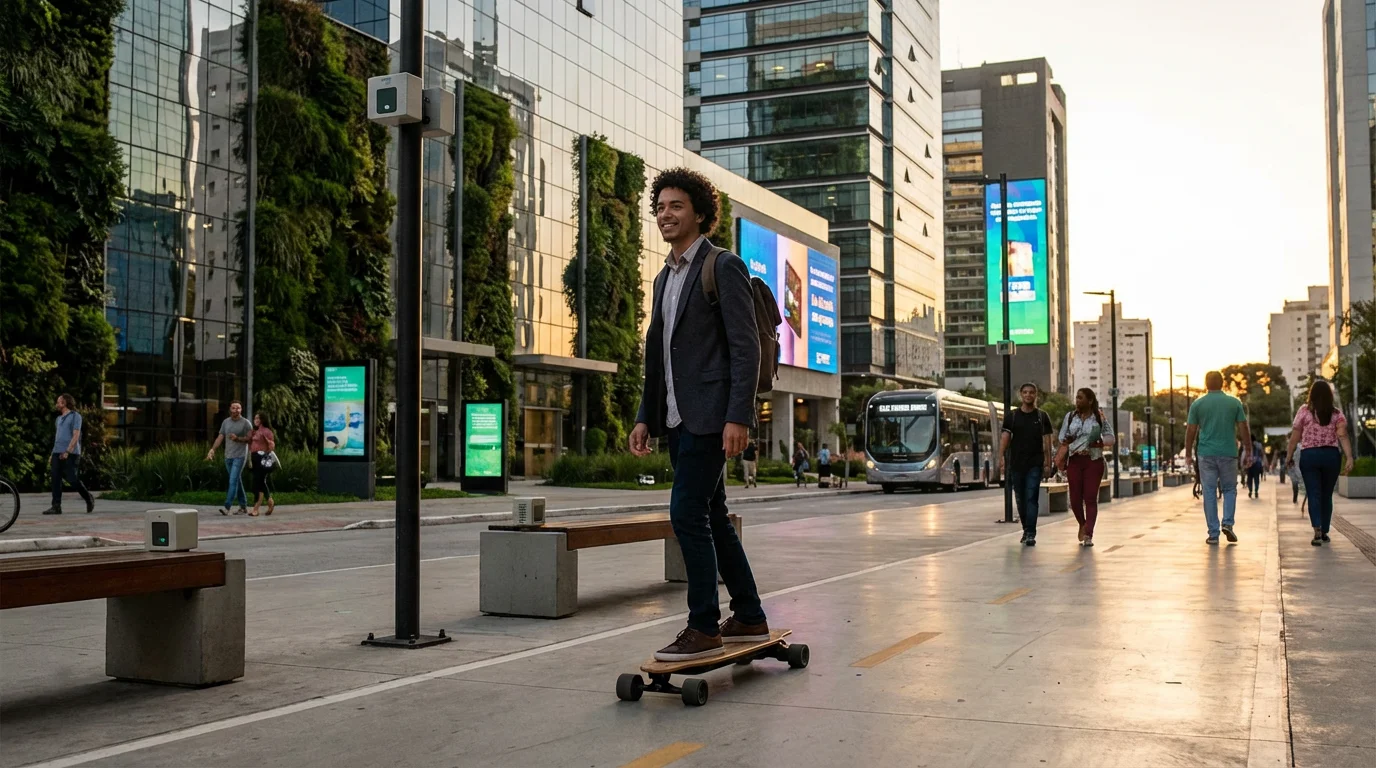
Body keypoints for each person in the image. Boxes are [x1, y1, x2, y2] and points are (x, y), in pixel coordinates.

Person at [629, 166, 767, 662]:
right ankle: (749, 614)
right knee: (711, 514)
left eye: (676, 206)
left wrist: (739, 416)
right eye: (660, 207)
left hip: (712, 416)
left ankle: (704, 625)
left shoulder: (722, 266)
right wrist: (645, 415)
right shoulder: (663, 277)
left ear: (700, 213)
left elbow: (746, 348)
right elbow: (658, 354)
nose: (665, 214)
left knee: (686, 512)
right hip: (676, 417)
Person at [1185, 371, 1251, 545]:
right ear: (1222, 384)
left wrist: (1188, 453)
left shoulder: (1198, 404)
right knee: (1229, 489)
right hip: (1229, 452)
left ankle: (1213, 534)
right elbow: (1243, 427)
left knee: (1209, 491)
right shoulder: (1234, 403)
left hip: (1206, 453)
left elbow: (1191, 430)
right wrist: (1248, 449)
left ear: (1206, 384)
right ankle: (1227, 523)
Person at [1285, 380, 1354, 546]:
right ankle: (1324, 531)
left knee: (1313, 493)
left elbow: (1295, 436)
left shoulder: (1304, 411)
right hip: (1331, 456)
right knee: (1326, 495)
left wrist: (1289, 456)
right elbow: (1343, 435)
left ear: (1312, 395)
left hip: (1310, 456)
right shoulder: (1337, 414)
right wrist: (1349, 457)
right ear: (1330, 396)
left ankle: (1316, 531)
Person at [1055, 388, 1114, 547]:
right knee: (1074, 500)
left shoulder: (1099, 417)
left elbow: (1111, 438)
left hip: (1093, 461)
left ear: (1090, 400)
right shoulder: (1070, 417)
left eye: (1081, 398)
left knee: (1090, 498)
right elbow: (1061, 437)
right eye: (1076, 397)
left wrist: (1100, 441)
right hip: (1075, 460)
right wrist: (1067, 439)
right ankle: (1082, 523)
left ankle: (1089, 534)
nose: (1077, 400)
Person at [1002, 382, 1054, 547]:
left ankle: (1031, 533)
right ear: (1021, 394)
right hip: (1016, 464)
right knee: (1020, 499)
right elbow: (1005, 438)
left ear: (1035, 395)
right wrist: (1000, 458)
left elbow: (1047, 443)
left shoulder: (1042, 417)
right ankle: (1026, 529)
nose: (1028, 395)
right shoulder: (1012, 416)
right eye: (1025, 392)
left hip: (1035, 464)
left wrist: (1048, 464)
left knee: (1031, 498)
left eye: (1031, 392)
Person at [41, 394, 95, 516]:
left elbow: (76, 435)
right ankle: (56, 506)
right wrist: (52, 454)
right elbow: (58, 438)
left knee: (72, 479)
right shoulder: (58, 419)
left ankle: (88, 497)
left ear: (64, 403)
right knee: (55, 479)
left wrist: (67, 451)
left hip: (72, 453)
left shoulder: (76, 416)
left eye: (58, 402)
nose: (56, 404)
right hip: (57, 452)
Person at [207, 401, 251, 515]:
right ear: (230, 410)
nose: (236, 410)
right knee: (236, 480)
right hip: (228, 457)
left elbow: (250, 439)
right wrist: (212, 450)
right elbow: (220, 437)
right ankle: (243, 506)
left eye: (238, 408)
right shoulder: (226, 422)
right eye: (234, 408)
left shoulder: (246, 423)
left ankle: (227, 507)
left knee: (232, 481)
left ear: (241, 410)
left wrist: (238, 439)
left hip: (240, 456)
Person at [247, 412, 277, 517]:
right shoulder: (254, 431)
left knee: (257, 484)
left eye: (258, 418)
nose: (256, 420)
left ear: (262, 420)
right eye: (255, 418)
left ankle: (256, 509)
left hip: (262, 459)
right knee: (260, 483)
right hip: (254, 458)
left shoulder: (267, 431)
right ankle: (269, 501)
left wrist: (269, 443)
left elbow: (271, 446)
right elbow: (249, 443)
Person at [1245, 434, 1264, 498]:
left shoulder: (1248, 445)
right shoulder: (1259, 445)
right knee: (1256, 479)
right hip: (1257, 465)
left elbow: (1244, 454)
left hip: (1249, 464)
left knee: (1249, 479)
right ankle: (1256, 491)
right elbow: (1262, 454)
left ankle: (1250, 491)